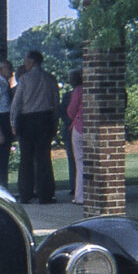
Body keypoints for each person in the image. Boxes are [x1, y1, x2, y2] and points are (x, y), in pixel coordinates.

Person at [10, 50, 60, 204]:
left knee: (26, 158)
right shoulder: (50, 79)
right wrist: (55, 123)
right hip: (45, 118)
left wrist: (13, 122)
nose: (24, 63)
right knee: (44, 157)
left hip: (27, 120)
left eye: (26, 60)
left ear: (32, 62)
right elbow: (56, 104)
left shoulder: (24, 80)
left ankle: (25, 193)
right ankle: (45, 194)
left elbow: (17, 103)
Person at [60, 70, 81, 195]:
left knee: (74, 159)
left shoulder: (70, 95)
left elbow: (65, 112)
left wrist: (70, 122)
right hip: (73, 127)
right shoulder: (68, 95)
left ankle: (75, 187)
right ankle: (75, 186)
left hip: (72, 128)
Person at [67, 70, 84, 205]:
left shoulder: (78, 91)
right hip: (92, 127)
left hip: (79, 127)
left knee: (80, 162)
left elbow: (71, 110)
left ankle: (80, 196)